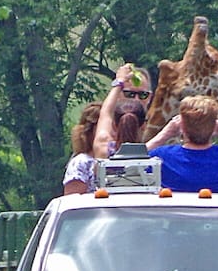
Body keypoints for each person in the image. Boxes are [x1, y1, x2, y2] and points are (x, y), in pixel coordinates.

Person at [143, 96, 218, 193]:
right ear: (216, 126)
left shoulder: (162, 157)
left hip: (177, 224)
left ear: (182, 126)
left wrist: (164, 134)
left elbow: (131, 161)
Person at [61, 64, 151, 195]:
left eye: (143, 95)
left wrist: (118, 82)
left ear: (113, 124)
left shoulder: (104, 150)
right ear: (143, 125)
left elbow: (105, 113)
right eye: (129, 94)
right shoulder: (154, 155)